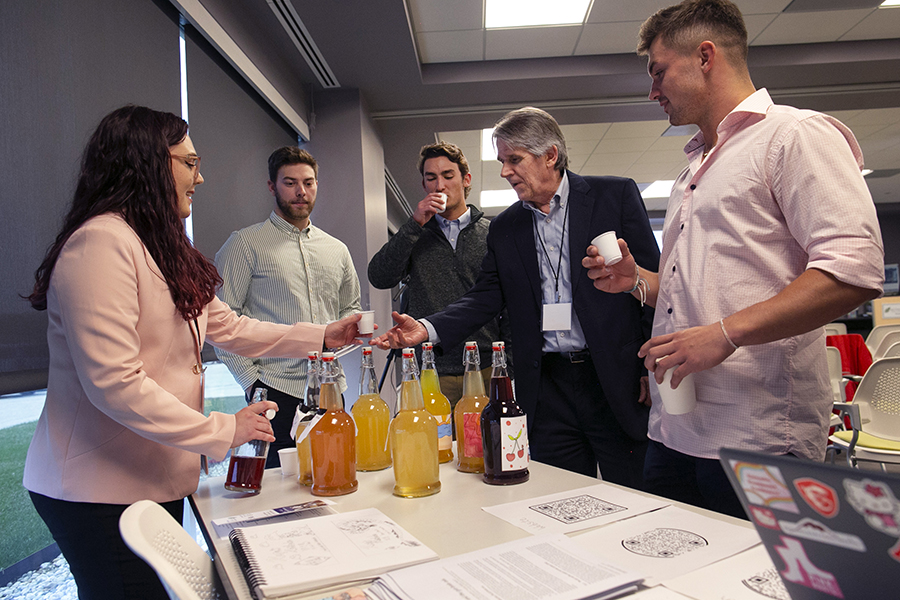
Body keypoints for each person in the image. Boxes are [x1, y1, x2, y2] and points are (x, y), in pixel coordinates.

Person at [22, 105, 364, 600]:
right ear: (146, 164)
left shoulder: (161, 246)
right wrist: (222, 430)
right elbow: (114, 382)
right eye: (189, 163)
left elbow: (229, 326)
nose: (199, 177)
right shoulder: (100, 243)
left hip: (149, 474)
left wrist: (324, 336)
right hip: (94, 489)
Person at [583, 0, 883, 518]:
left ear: (705, 56)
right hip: (676, 427)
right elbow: (693, 290)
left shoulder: (794, 135)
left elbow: (852, 271)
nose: (652, 91)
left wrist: (724, 334)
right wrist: (637, 283)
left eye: (659, 73)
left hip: (759, 435)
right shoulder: (695, 167)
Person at [373, 107, 660, 488]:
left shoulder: (614, 196)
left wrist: (648, 366)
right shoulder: (506, 226)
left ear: (550, 156)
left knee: (633, 493)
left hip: (611, 377)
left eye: (514, 160)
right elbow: (485, 296)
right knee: (558, 495)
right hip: (546, 386)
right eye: (502, 161)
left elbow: (650, 284)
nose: (506, 171)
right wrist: (425, 329)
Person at [215, 146, 362, 466]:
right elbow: (223, 322)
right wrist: (251, 383)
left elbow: (350, 306)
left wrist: (356, 327)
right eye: (290, 182)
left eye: (309, 183)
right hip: (273, 389)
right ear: (272, 186)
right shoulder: (244, 244)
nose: (301, 191)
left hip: (330, 390)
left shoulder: (336, 250)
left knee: (333, 474)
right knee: (278, 491)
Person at [367, 141, 509, 407]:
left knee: (488, 445)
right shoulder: (414, 234)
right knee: (433, 446)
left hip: (486, 366)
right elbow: (379, 276)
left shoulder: (493, 234)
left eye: (448, 175)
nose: (439, 185)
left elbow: (509, 301)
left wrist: (509, 363)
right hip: (430, 368)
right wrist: (414, 224)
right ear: (424, 186)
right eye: (431, 178)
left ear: (466, 180)